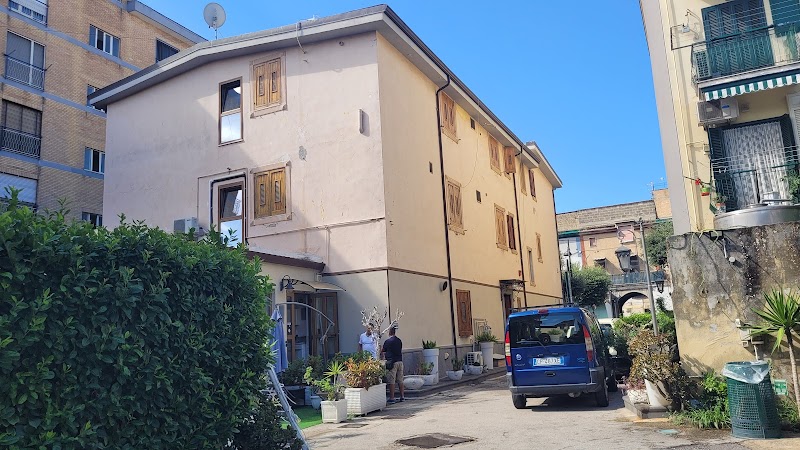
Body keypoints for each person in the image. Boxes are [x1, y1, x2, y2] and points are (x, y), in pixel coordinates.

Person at [381, 325, 404, 404]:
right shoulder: (399, 340)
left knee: (392, 380)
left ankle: (392, 398)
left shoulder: (388, 341)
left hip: (392, 362)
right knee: (400, 380)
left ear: (389, 332)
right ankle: (402, 396)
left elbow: (383, 350)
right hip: (400, 361)